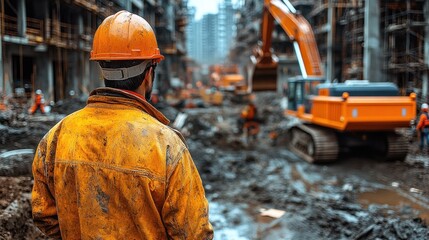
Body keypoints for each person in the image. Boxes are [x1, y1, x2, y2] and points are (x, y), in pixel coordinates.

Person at [31, 11, 213, 239]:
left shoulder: (56, 137)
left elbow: (43, 214)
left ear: (103, 70)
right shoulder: (166, 145)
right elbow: (193, 232)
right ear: (149, 74)